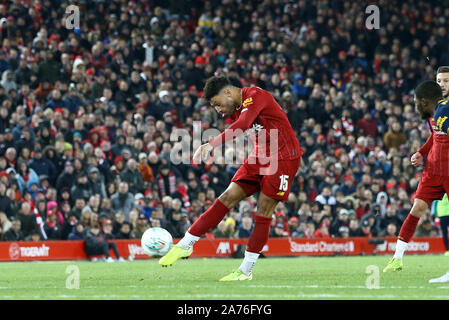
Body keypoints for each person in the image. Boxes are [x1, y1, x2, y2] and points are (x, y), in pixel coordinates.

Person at [159, 76, 302, 281]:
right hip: (260, 156)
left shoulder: (255, 95)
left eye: (217, 103)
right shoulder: (235, 108)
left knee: (263, 209)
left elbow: (243, 124)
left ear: (228, 92)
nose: (218, 109)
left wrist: (211, 144)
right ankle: (185, 245)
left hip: (283, 158)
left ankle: (246, 270)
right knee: (227, 197)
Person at [384, 80, 449, 272]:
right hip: (433, 170)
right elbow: (434, 135)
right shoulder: (434, 113)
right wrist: (421, 152)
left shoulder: (443, 111)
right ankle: (397, 258)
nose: (443, 84)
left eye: (446, 80)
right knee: (417, 207)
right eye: (440, 81)